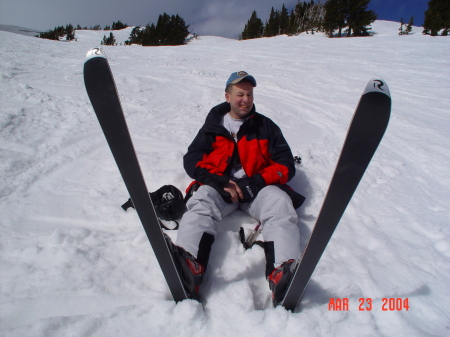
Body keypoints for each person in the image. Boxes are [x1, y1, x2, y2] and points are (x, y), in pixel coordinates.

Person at [166, 71, 305, 305]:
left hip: (257, 190)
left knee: (280, 204)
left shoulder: (266, 127)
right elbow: (192, 160)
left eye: (249, 94)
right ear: (227, 96)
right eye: (240, 94)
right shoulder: (212, 127)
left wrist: (258, 182)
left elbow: (285, 165)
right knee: (201, 202)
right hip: (222, 191)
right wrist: (216, 181)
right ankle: (190, 265)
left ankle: (283, 272)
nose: (246, 99)